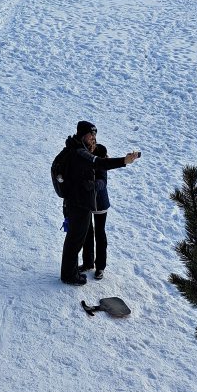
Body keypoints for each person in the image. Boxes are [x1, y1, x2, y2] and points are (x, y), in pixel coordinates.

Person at [59, 121, 140, 285]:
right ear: (83, 135)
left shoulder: (71, 148)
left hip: (78, 202)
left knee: (77, 238)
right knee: (76, 240)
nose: (93, 138)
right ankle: (70, 274)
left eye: (95, 135)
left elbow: (101, 172)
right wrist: (124, 160)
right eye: (91, 135)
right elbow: (99, 163)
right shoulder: (79, 152)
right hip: (79, 203)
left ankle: (82, 270)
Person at [81, 143, 110, 280]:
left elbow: (103, 181)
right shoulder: (86, 157)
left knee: (99, 233)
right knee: (87, 232)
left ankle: (100, 267)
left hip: (100, 202)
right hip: (87, 202)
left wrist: (93, 185)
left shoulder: (101, 161)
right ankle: (88, 263)